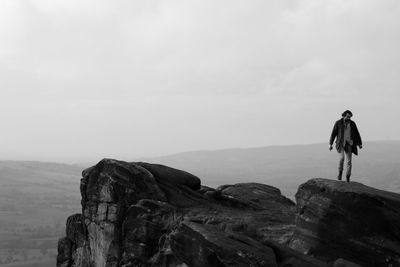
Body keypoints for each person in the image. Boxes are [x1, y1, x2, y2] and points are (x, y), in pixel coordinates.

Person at [329, 110, 362, 182]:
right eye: (347, 116)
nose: (349, 118)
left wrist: (359, 143)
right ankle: (340, 174)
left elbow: (357, 133)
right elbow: (333, 133)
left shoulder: (352, 124)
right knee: (342, 158)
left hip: (349, 143)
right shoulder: (338, 123)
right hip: (340, 144)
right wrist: (330, 144)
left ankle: (348, 177)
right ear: (343, 115)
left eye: (350, 117)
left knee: (349, 161)